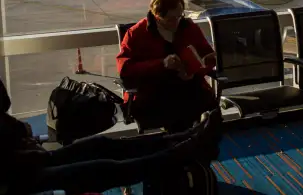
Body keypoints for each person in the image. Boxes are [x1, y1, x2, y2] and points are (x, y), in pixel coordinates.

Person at [0, 79, 222, 195]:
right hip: (16, 180)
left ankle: (182, 139)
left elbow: (4, 105)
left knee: (100, 145)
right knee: (105, 168)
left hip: (26, 161)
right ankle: (185, 150)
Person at [116, 0, 218, 132]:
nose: (176, 22)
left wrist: (196, 71)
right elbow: (125, 69)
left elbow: (208, 56)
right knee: (179, 113)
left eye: (179, 16)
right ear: (157, 15)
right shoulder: (136, 34)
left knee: (211, 111)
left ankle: (193, 145)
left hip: (188, 86)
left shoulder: (187, 27)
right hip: (154, 90)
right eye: (170, 19)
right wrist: (161, 64)